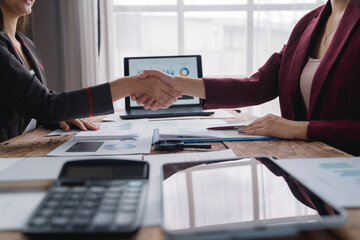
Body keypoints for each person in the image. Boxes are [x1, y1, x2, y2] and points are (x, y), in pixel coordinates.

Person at [134, 0, 360, 155]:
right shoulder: (308, 23)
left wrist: (298, 129)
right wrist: (175, 84)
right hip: (307, 165)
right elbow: (259, 85)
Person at [0, 0, 181, 142]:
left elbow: (33, 105)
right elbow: (47, 105)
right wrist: (128, 85)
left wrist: (58, 117)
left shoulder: (26, 44)